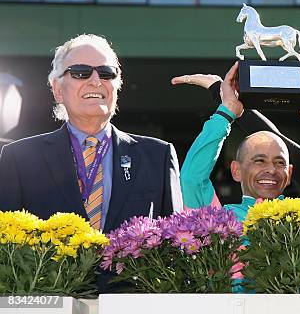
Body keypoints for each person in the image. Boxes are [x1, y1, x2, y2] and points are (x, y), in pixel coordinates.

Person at [0, 34, 183, 233]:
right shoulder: (18, 159)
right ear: (57, 89)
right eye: (80, 72)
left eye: (106, 73)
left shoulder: (158, 157)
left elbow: (175, 247)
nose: (96, 81)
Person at [179, 62, 300, 222]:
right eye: (259, 160)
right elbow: (192, 179)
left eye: (279, 162)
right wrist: (226, 112)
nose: (271, 169)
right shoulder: (218, 221)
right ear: (236, 170)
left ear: (289, 173)